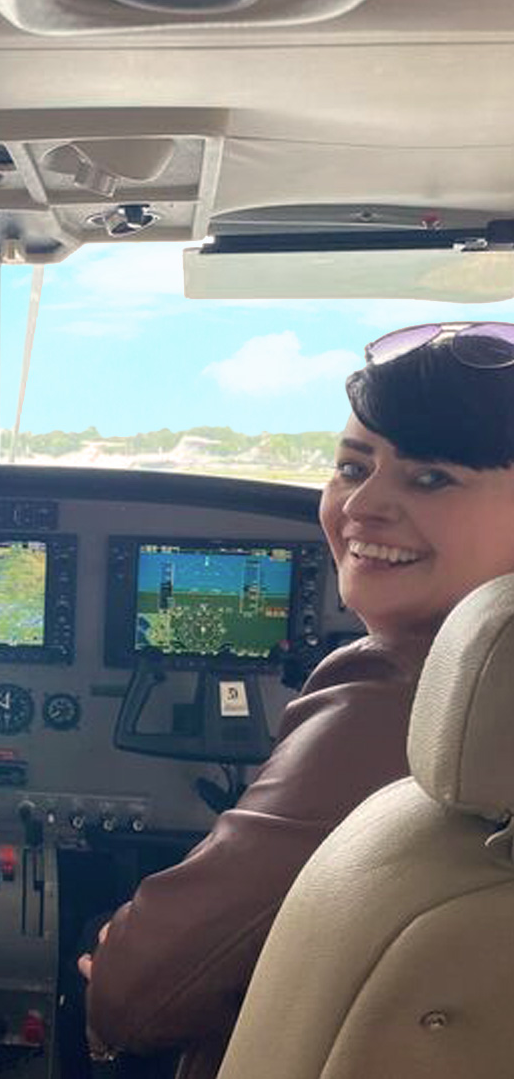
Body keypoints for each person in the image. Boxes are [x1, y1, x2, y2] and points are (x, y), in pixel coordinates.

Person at [80, 322, 514, 1079]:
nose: (363, 506)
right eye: (353, 467)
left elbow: (135, 999)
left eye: (431, 478)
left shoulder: (400, 693)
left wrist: (113, 962)